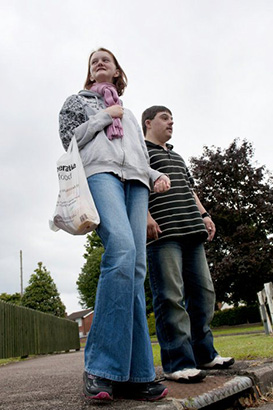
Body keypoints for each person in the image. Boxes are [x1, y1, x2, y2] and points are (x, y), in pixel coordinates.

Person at [59, 51, 170, 401]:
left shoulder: (132, 115)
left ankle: (137, 374)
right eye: (94, 61)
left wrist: (154, 174)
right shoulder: (78, 101)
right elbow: (69, 141)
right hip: (100, 174)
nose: (99, 62)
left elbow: (139, 153)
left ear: (118, 71)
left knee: (136, 269)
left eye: (106, 59)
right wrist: (104, 116)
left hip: (136, 182)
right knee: (121, 250)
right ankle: (101, 367)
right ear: (90, 73)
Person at [142, 105, 234, 383]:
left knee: (204, 294)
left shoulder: (178, 156)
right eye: (165, 118)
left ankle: (204, 354)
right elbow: (135, 185)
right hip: (163, 234)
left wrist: (205, 215)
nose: (171, 122)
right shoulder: (141, 153)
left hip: (192, 231)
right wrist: (145, 216)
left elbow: (190, 189)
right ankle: (177, 363)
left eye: (172, 118)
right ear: (148, 123)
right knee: (170, 297)